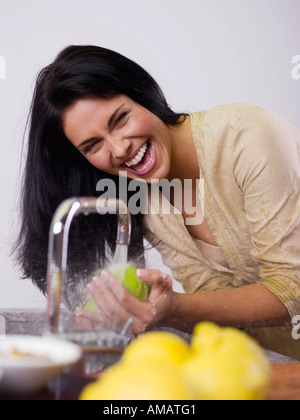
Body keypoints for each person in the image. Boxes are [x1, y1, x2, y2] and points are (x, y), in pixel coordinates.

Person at [16, 45, 300, 359]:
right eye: (93, 145)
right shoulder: (143, 195)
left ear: (143, 95)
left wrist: (175, 307)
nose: (120, 149)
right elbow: (217, 304)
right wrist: (142, 312)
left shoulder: (246, 138)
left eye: (120, 119)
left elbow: (293, 289)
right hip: (274, 370)